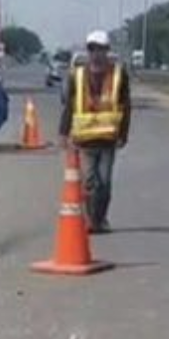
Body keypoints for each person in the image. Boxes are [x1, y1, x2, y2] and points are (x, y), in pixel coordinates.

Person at [58, 30, 132, 234]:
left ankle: (100, 218)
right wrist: (63, 132)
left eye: (100, 50)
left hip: (108, 139)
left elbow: (126, 106)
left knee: (104, 183)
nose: (96, 54)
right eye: (92, 49)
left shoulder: (119, 75)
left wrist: (124, 134)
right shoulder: (77, 75)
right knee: (89, 182)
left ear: (106, 51)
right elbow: (70, 106)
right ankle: (92, 220)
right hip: (85, 140)